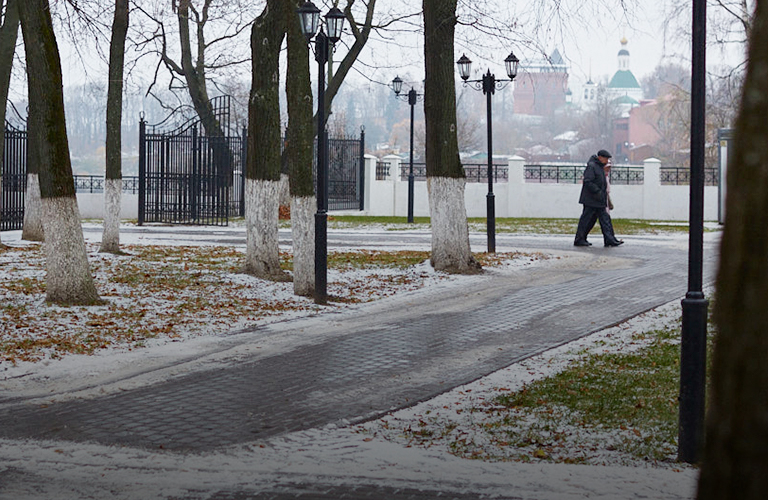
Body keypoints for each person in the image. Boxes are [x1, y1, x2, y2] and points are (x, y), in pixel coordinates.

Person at [573, 149, 624, 247]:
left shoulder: (598, 167)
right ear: (600, 157)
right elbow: (588, 181)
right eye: (606, 158)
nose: (607, 161)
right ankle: (580, 239)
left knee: (605, 219)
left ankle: (609, 239)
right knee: (587, 220)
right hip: (591, 199)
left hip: (598, 199)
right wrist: (598, 192)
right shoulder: (592, 166)